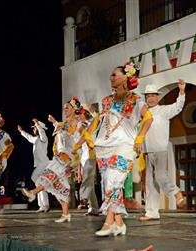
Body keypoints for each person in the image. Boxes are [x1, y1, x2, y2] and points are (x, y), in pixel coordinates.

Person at [74, 62, 153, 236]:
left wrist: (140, 137)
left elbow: (148, 118)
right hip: (104, 147)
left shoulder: (135, 100)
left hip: (125, 145)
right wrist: (83, 140)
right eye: (111, 75)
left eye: (114, 74)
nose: (110, 77)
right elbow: (96, 122)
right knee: (110, 184)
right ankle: (119, 223)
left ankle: (108, 222)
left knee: (112, 179)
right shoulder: (106, 101)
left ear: (126, 78)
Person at [21, 97, 83, 223]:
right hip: (61, 155)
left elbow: (73, 133)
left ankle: (33, 192)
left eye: (68, 107)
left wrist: (55, 122)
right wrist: (55, 123)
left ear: (74, 109)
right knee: (58, 184)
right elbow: (61, 135)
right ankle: (66, 214)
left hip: (69, 155)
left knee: (49, 172)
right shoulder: (64, 123)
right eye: (64, 107)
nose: (65, 109)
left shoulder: (77, 121)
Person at [139, 81, 186, 221]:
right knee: (150, 183)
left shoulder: (163, 110)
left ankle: (176, 192)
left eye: (153, 95)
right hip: (147, 150)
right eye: (148, 96)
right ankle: (152, 212)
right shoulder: (143, 113)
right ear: (146, 98)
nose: (151, 98)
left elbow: (178, 107)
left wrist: (182, 92)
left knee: (160, 176)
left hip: (160, 149)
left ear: (158, 97)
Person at [17, 118, 50, 213]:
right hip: (39, 164)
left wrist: (37, 124)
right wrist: (21, 131)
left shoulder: (44, 139)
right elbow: (28, 137)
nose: (33, 129)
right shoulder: (35, 139)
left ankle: (43, 204)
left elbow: (42, 132)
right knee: (39, 184)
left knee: (35, 178)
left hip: (44, 164)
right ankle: (43, 205)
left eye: (34, 128)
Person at [76, 104, 99, 216]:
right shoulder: (80, 125)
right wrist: (79, 169)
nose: (78, 115)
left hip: (92, 156)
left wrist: (92, 112)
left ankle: (83, 198)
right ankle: (94, 208)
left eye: (80, 113)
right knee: (90, 183)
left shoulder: (89, 125)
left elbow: (97, 120)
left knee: (88, 179)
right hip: (84, 157)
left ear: (85, 113)